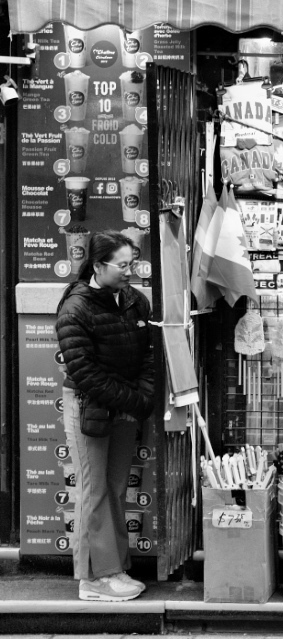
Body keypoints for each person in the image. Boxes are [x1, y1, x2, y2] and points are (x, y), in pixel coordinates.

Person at [56, 230, 154, 602]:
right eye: (123, 265)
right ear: (98, 265)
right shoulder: (76, 307)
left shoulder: (135, 301)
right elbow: (83, 371)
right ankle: (92, 579)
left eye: (134, 263)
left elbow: (148, 354)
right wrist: (133, 399)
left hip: (126, 405)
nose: (131, 271)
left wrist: (140, 397)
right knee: (93, 490)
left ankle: (114, 569)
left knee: (114, 488)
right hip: (89, 406)